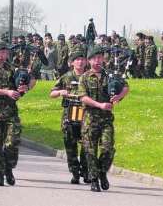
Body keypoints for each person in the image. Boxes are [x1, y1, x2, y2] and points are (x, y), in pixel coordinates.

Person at [0, 42, 35, 186]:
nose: (4, 55)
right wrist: (6, 92)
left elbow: (23, 85)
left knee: (13, 142)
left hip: (11, 112)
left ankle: (8, 168)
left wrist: (24, 88)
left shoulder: (12, 69)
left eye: (6, 53)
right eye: (1, 52)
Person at [78, 46, 129, 192]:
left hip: (106, 120)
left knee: (108, 149)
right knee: (90, 151)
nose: (97, 60)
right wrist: (99, 105)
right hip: (90, 119)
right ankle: (94, 179)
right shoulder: (85, 77)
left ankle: (102, 172)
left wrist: (119, 96)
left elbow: (125, 86)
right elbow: (83, 97)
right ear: (89, 60)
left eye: (100, 57)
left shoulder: (110, 75)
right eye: (94, 58)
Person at [50, 51, 90, 184]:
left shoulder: (90, 77)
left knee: (87, 144)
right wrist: (60, 92)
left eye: (82, 59)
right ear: (72, 62)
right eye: (77, 59)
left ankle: (86, 171)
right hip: (69, 115)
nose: (80, 62)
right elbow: (52, 93)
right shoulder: (66, 77)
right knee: (70, 146)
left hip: (86, 115)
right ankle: (75, 173)